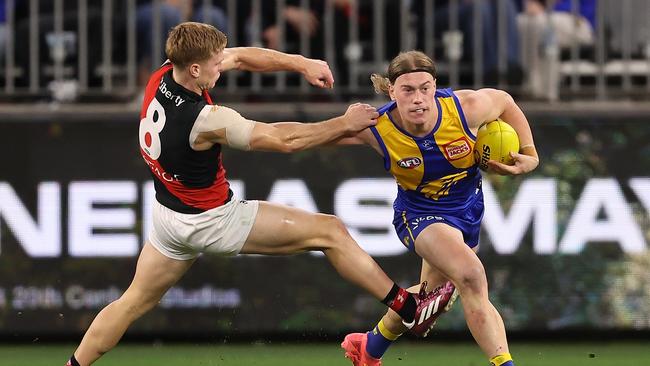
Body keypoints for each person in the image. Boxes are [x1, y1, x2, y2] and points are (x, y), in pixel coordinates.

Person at [64, 23, 440, 366]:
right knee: (329, 232)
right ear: (195, 69)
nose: (221, 66)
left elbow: (240, 56)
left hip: (168, 217)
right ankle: (407, 307)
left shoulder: (164, 73)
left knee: (130, 303)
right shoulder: (206, 119)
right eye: (214, 63)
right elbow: (283, 140)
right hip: (212, 220)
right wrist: (345, 123)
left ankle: (73, 364)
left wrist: (301, 63)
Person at [339, 50, 539, 366]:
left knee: (434, 300)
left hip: (468, 209)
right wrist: (251, 132)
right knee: (472, 276)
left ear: (435, 86)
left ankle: (369, 348)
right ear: (391, 90)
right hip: (418, 215)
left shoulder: (465, 109)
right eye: (407, 89)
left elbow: (504, 101)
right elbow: (306, 135)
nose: (418, 98)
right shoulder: (376, 126)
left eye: (425, 88)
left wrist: (530, 153)